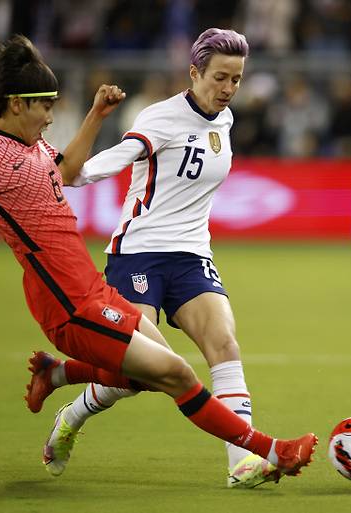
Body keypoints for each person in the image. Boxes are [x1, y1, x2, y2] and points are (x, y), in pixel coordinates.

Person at [0, 34, 318, 483]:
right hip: (115, 268)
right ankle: (267, 451)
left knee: (181, 360)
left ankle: (61, 375)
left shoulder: (34, 147)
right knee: (171, 372)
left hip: (138, 269)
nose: (50, 116)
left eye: (236, 79)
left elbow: (62, 169)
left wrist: (95, 115)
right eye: (44, 105)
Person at [25, 28, 299, 488]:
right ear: (194, 73)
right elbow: (94, 168)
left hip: (192, 255)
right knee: (142, 374)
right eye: (220, 78)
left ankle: (241, 461)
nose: (229, 89)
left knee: (225, 346)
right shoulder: (162, 118)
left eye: (236, 79)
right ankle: (69, 410)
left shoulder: (225, 121)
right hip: (139, 256)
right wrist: (77, 168)